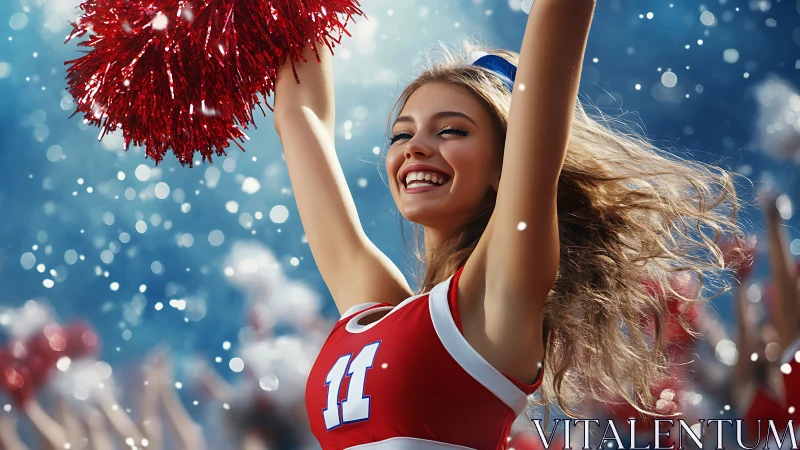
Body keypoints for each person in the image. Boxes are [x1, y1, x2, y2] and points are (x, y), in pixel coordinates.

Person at [273, 0, 741, 448]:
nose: (414, 147)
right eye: (401, 133)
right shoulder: (371, 309)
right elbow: (298, 116)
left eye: (451, 130)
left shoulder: (499, 294)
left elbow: (556, 24)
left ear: (506, 165)